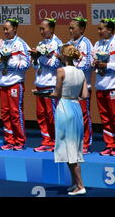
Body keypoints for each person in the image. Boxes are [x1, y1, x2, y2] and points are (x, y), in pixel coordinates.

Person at [46, 44, 89, 195]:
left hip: (64, 107)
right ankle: (74, 183)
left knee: (69, 148)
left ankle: (80, 185)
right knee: (74, 147)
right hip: (76, 108)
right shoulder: (81, 72)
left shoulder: (61, 71)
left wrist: (41, 94)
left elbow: (56, 93)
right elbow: (84, 95)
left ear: (64, 56)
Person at [0, 19, 31, 150]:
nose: (5, 31)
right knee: (5, 113)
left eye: (7, 29)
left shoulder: (21, 44)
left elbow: (26, 64)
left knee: (16, 113)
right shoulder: (2, 44)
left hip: (15, 83)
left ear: (15, 29)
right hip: (3, 83)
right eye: (3, 29)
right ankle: (9, 140)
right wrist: (0, 61)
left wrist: (8, 61)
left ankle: (20, 141)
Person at [29, 18, 63, 152]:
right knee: (41, 115)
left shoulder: (58, 44)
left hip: (51, 85)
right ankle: (46, 141)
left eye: (44, 29)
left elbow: (54, 64)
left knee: (52, 115)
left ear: (52, 29)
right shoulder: (40, 43)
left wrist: (40, 56)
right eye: (40, 29)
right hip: (40, 84)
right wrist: (36, 58)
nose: (42, 32)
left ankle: (56, 141)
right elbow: (34, 65)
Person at [67, 17, 93, 154]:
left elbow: (88, 64)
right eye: (69, 28)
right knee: (72, 117)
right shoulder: (68, 44)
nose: (70, 30)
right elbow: (63, 62)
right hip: (70, 89)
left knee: (83, 116)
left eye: (73, 28)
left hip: (83, 87)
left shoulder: (86, 43)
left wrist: (74, 61)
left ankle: (86, 144)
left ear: (82, 29)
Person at [92, 18, 115, 156]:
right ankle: (109, 145)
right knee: (105, 118)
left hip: (113, 86)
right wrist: (95, 63)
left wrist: (106, 65)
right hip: (100, 86)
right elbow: (92, 61)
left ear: (110, 30)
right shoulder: (97, 44)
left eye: (101, 29)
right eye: (98, 29)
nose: (99, 31)